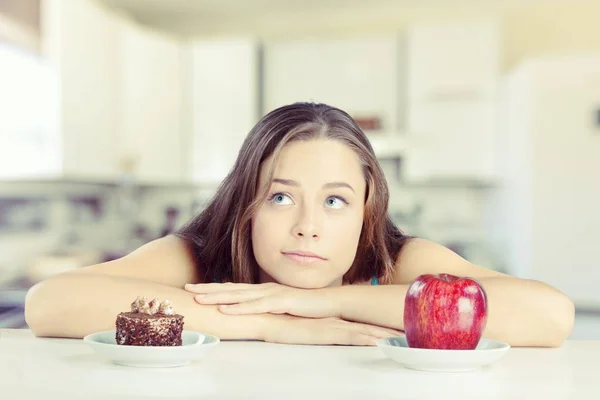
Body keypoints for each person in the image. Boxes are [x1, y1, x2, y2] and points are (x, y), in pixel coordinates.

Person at [24, 102, 574, 347]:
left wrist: (330, 302)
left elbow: (549, 316)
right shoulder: (202, 256)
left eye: (335, 202)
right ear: (246, 203)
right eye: (281, 197)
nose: (308, 227)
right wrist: (272, 323)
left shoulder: (394, 262)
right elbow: (50, 303)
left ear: (366, 212)